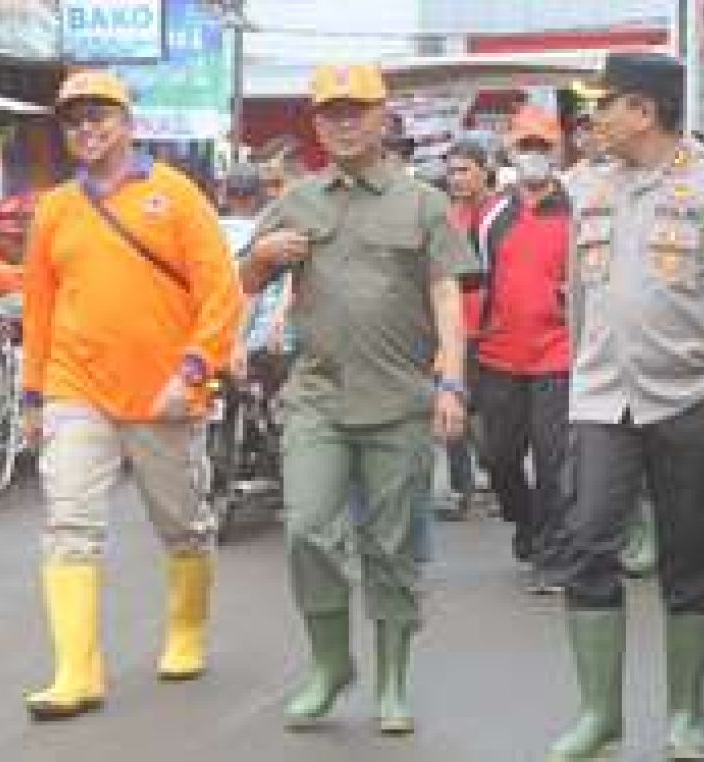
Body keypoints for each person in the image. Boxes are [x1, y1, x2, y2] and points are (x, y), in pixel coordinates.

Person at [548, 52, 704, 761]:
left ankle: (687, 716)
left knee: (688, 558)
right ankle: (599, 715)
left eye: (606, 105)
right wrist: (582, 370)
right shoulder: (586, 183)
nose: (594, 118)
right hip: (601, 400)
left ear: (644, 111)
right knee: (588, 544)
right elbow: (578, 290)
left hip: (690, 399)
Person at [239, 63, 478, 735]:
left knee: (394, 544)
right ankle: (330, 664)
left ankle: (394, 681)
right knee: (306, 531)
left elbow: (445, 296)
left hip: (400, 399)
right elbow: (248, 280)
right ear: (316, 124)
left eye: (356, 110)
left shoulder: (422, 202)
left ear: (382, 117)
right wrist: (264, 255)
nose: (343, 122)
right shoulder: (297, 201)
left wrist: (452, 380)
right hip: (317, 397)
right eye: (329, 113)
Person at [21, 70, 245, 720]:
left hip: (164, 395)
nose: (86, 128)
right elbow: (39, 308)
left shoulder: (176, 196)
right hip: (75, 387)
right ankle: (75, 672)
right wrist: (34, 397)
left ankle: (185, 631)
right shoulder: (55, 209)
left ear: (127, 122)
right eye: (74, 119)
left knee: (182, 524)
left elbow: (220, 292)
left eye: (99, 115)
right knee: (68, 524)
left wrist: (194, 370)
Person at [472, 105, 573, 593]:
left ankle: (552, 557)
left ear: (556, 152)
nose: (534, 155)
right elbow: (473, 285)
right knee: (498, 457)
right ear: (511, 152)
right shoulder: (490, 215)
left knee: (556, 460)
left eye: (542, 146)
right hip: (498, 356)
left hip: (560, 355)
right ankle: (526, 519)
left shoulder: (578, 210)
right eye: (525, 146)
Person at [441, 139, 494, 519]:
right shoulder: (444, 217)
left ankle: (493, 477)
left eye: (464, 170)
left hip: (497, 327)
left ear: (484, 170)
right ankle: (463, 488)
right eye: (452, 171)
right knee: (453, 404)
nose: (457, 179)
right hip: (457, 327)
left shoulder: (502, 210)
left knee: (491, 416)